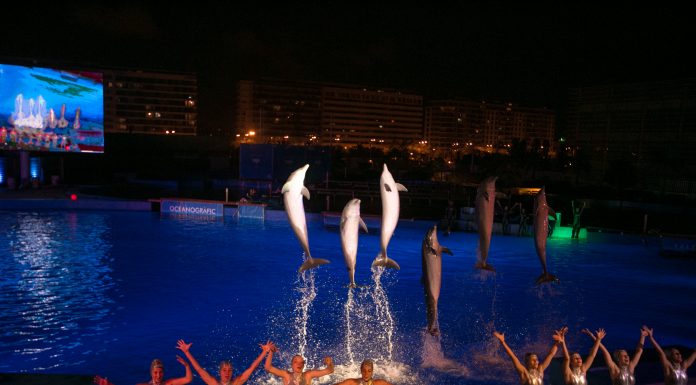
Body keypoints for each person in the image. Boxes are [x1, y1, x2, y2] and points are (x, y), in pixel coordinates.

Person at [176, 339, 273, 385]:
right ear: (220, 372)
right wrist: (187, 352)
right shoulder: (213, 383)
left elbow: (252, 367)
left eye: (230, 370)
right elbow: (199, 369)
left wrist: (264, 352)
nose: (227, 373)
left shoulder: (237, 382)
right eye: (224, 370)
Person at [493, 328, 562, 385]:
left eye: (536, 359)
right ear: (527, 362)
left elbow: (551, 354)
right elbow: (513, 357)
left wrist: (558, 342)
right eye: (533, 360)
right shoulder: (524, 373)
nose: (536, 361)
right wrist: (503, 342)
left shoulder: (540, 371)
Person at [264, 343, 334, 385]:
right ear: (291, 364)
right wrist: (271, 352)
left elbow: (329, 370)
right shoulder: (286, 375)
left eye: (301, 362)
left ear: (303, 365)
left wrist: (329, 363)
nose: (299, 364)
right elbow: (268, 368)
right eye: (296, 362)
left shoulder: (308, 375)